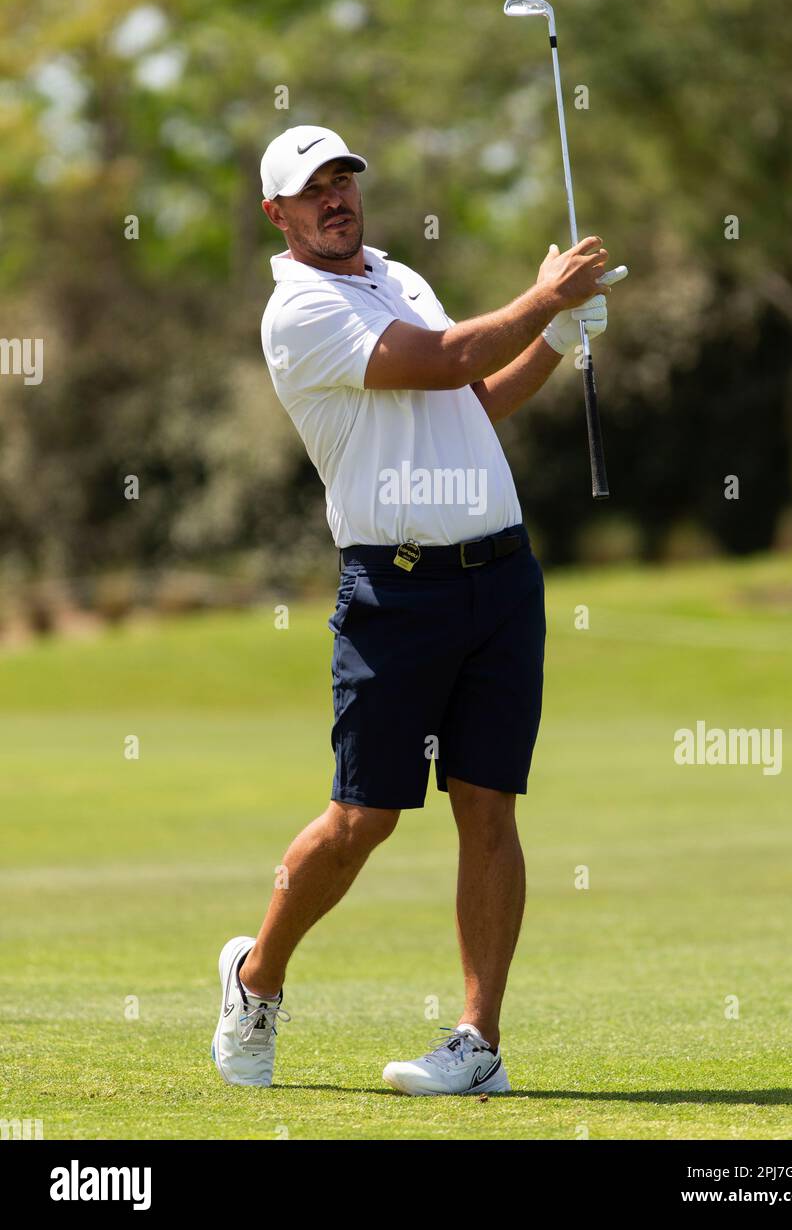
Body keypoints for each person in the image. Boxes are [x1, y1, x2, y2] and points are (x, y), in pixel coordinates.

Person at [211, 124, 615, 1095]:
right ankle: (255, 978)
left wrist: (555, 339)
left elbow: (470, 397)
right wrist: (541, 298)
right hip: (395, 591)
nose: (336, 197)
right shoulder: (299, 310)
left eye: (345, 178)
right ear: (279, 214)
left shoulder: (397, 274)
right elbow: (436, 362)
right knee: (364, 817)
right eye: (313, 189)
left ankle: (476, 1041)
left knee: (488, 806)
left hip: (500, 579)